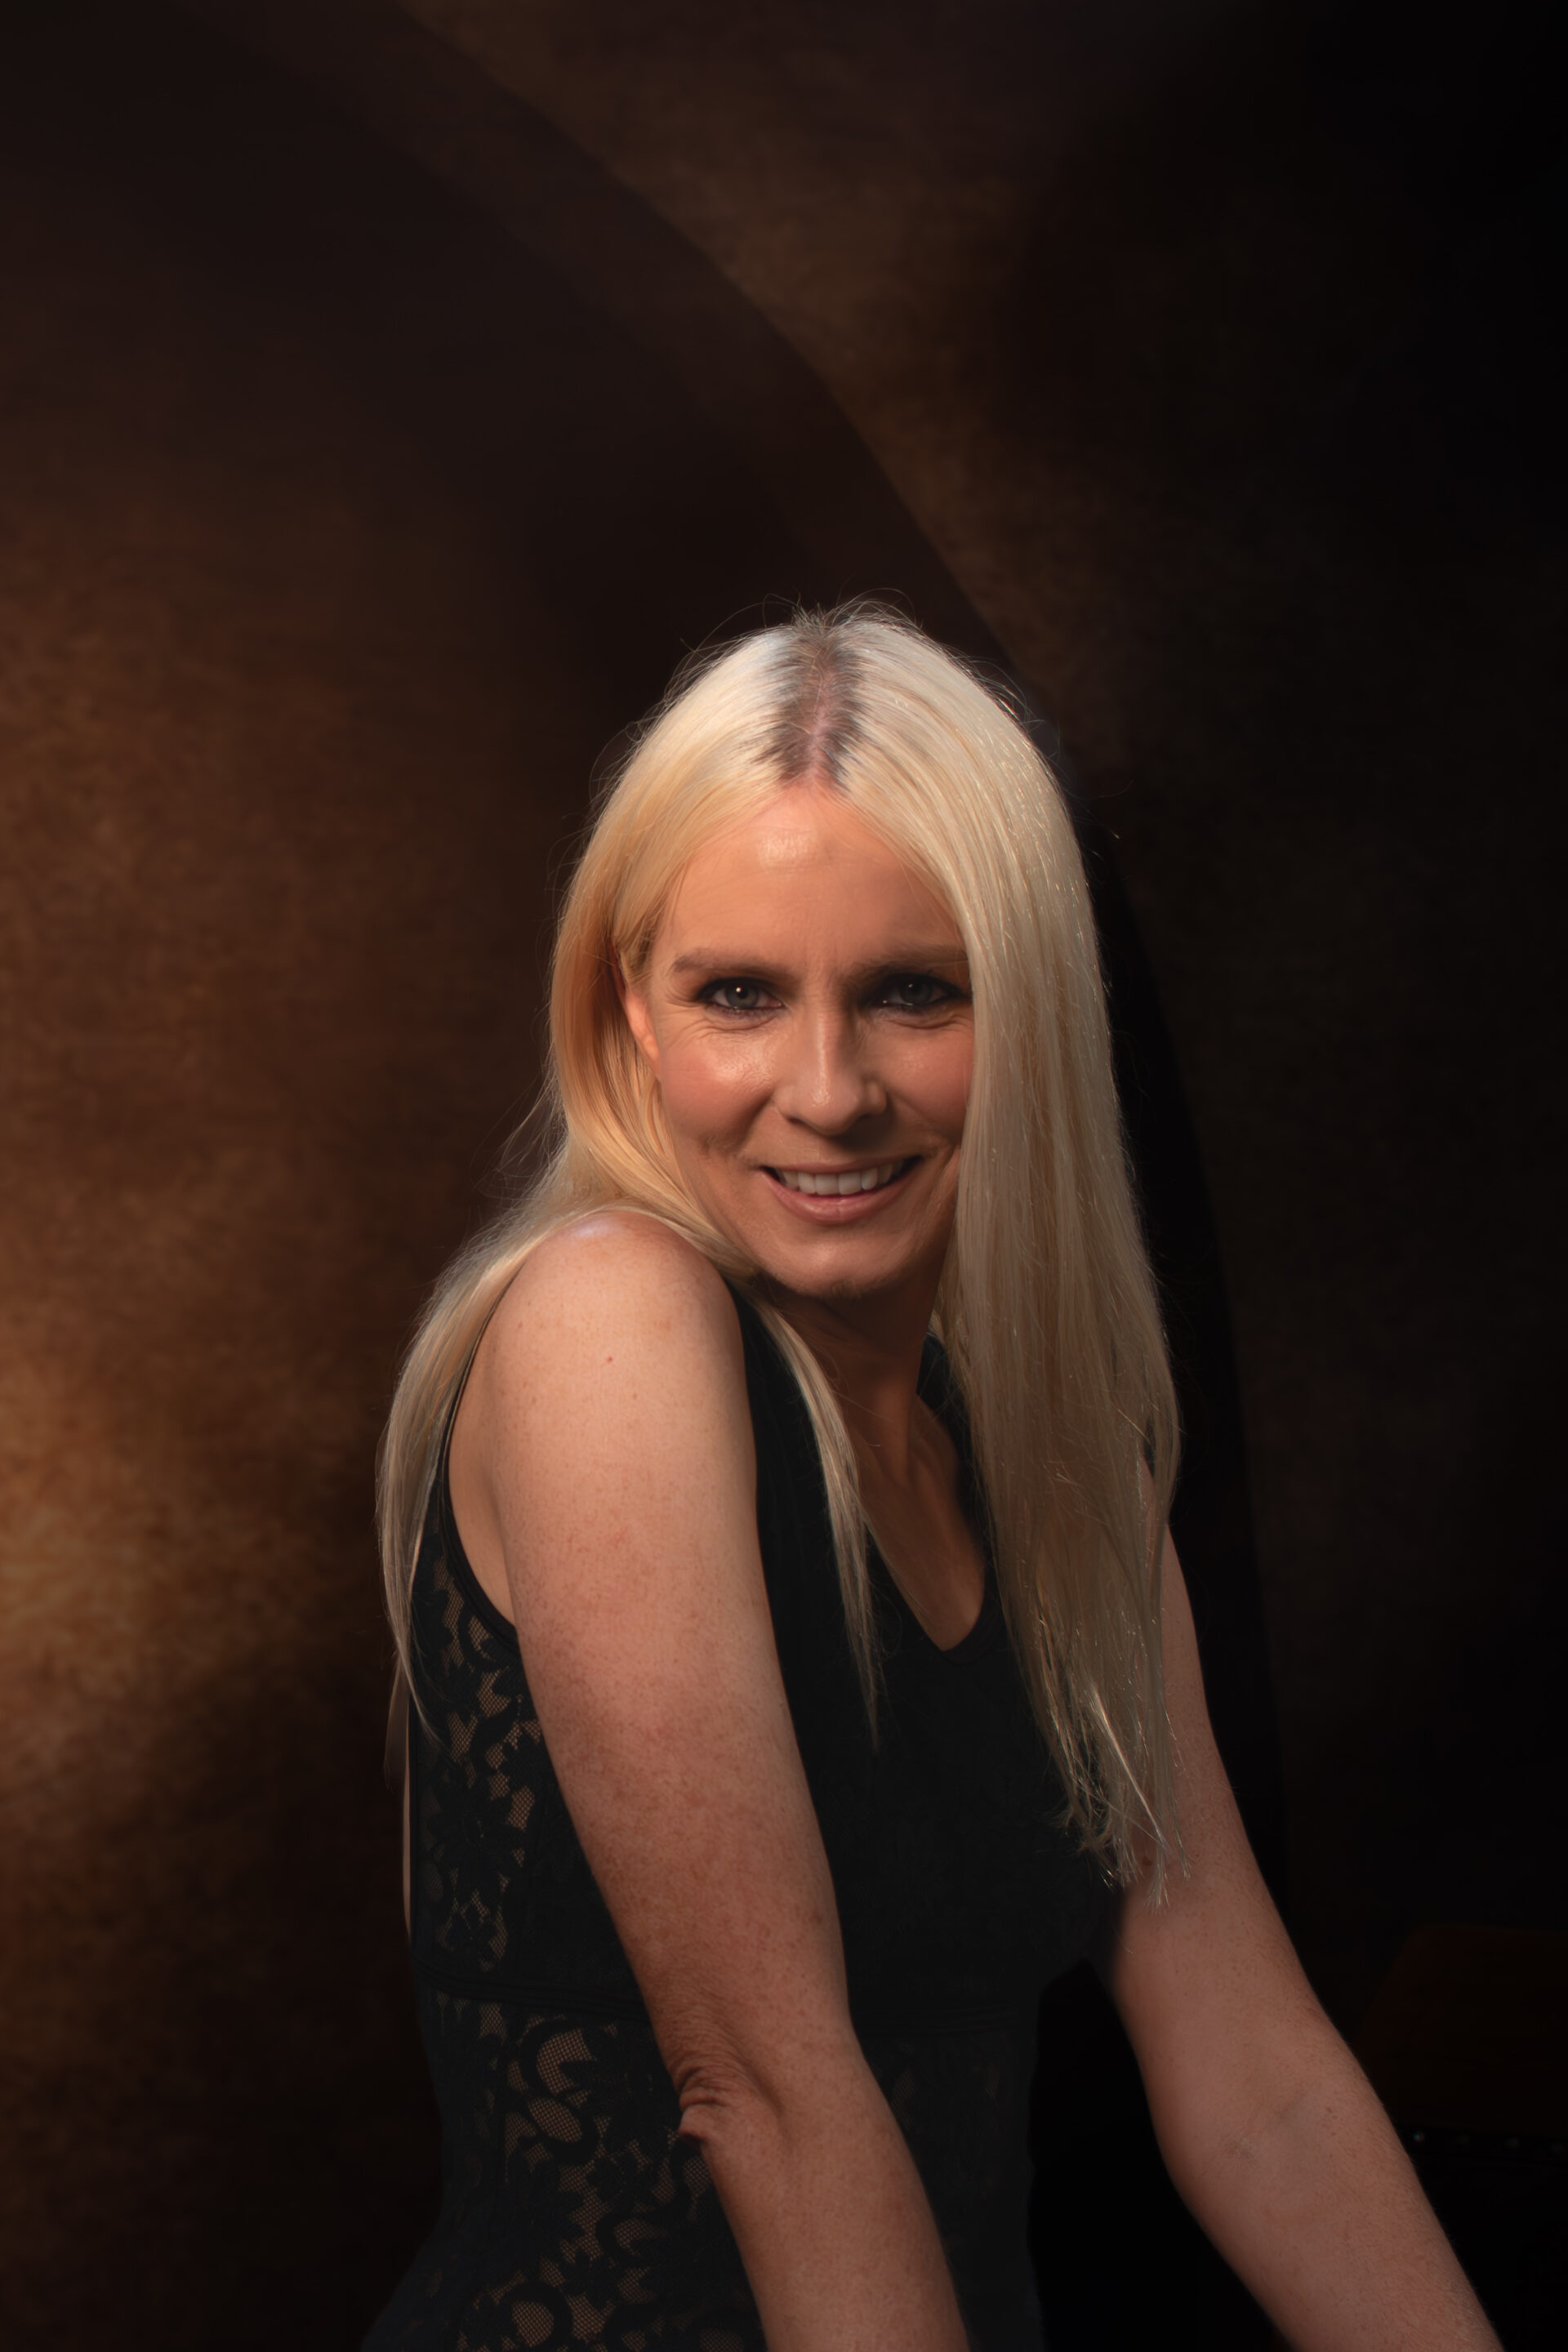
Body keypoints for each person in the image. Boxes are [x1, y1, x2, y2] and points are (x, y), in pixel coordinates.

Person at [365, 608, 1497, 2352]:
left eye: (914, 992)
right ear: (630, 1015)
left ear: (1027, 1008)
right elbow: (762, 2085)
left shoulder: (1053, 1453)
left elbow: (1262, 2088)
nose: (829, 1091)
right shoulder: (611, 1321)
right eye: (739, 994)